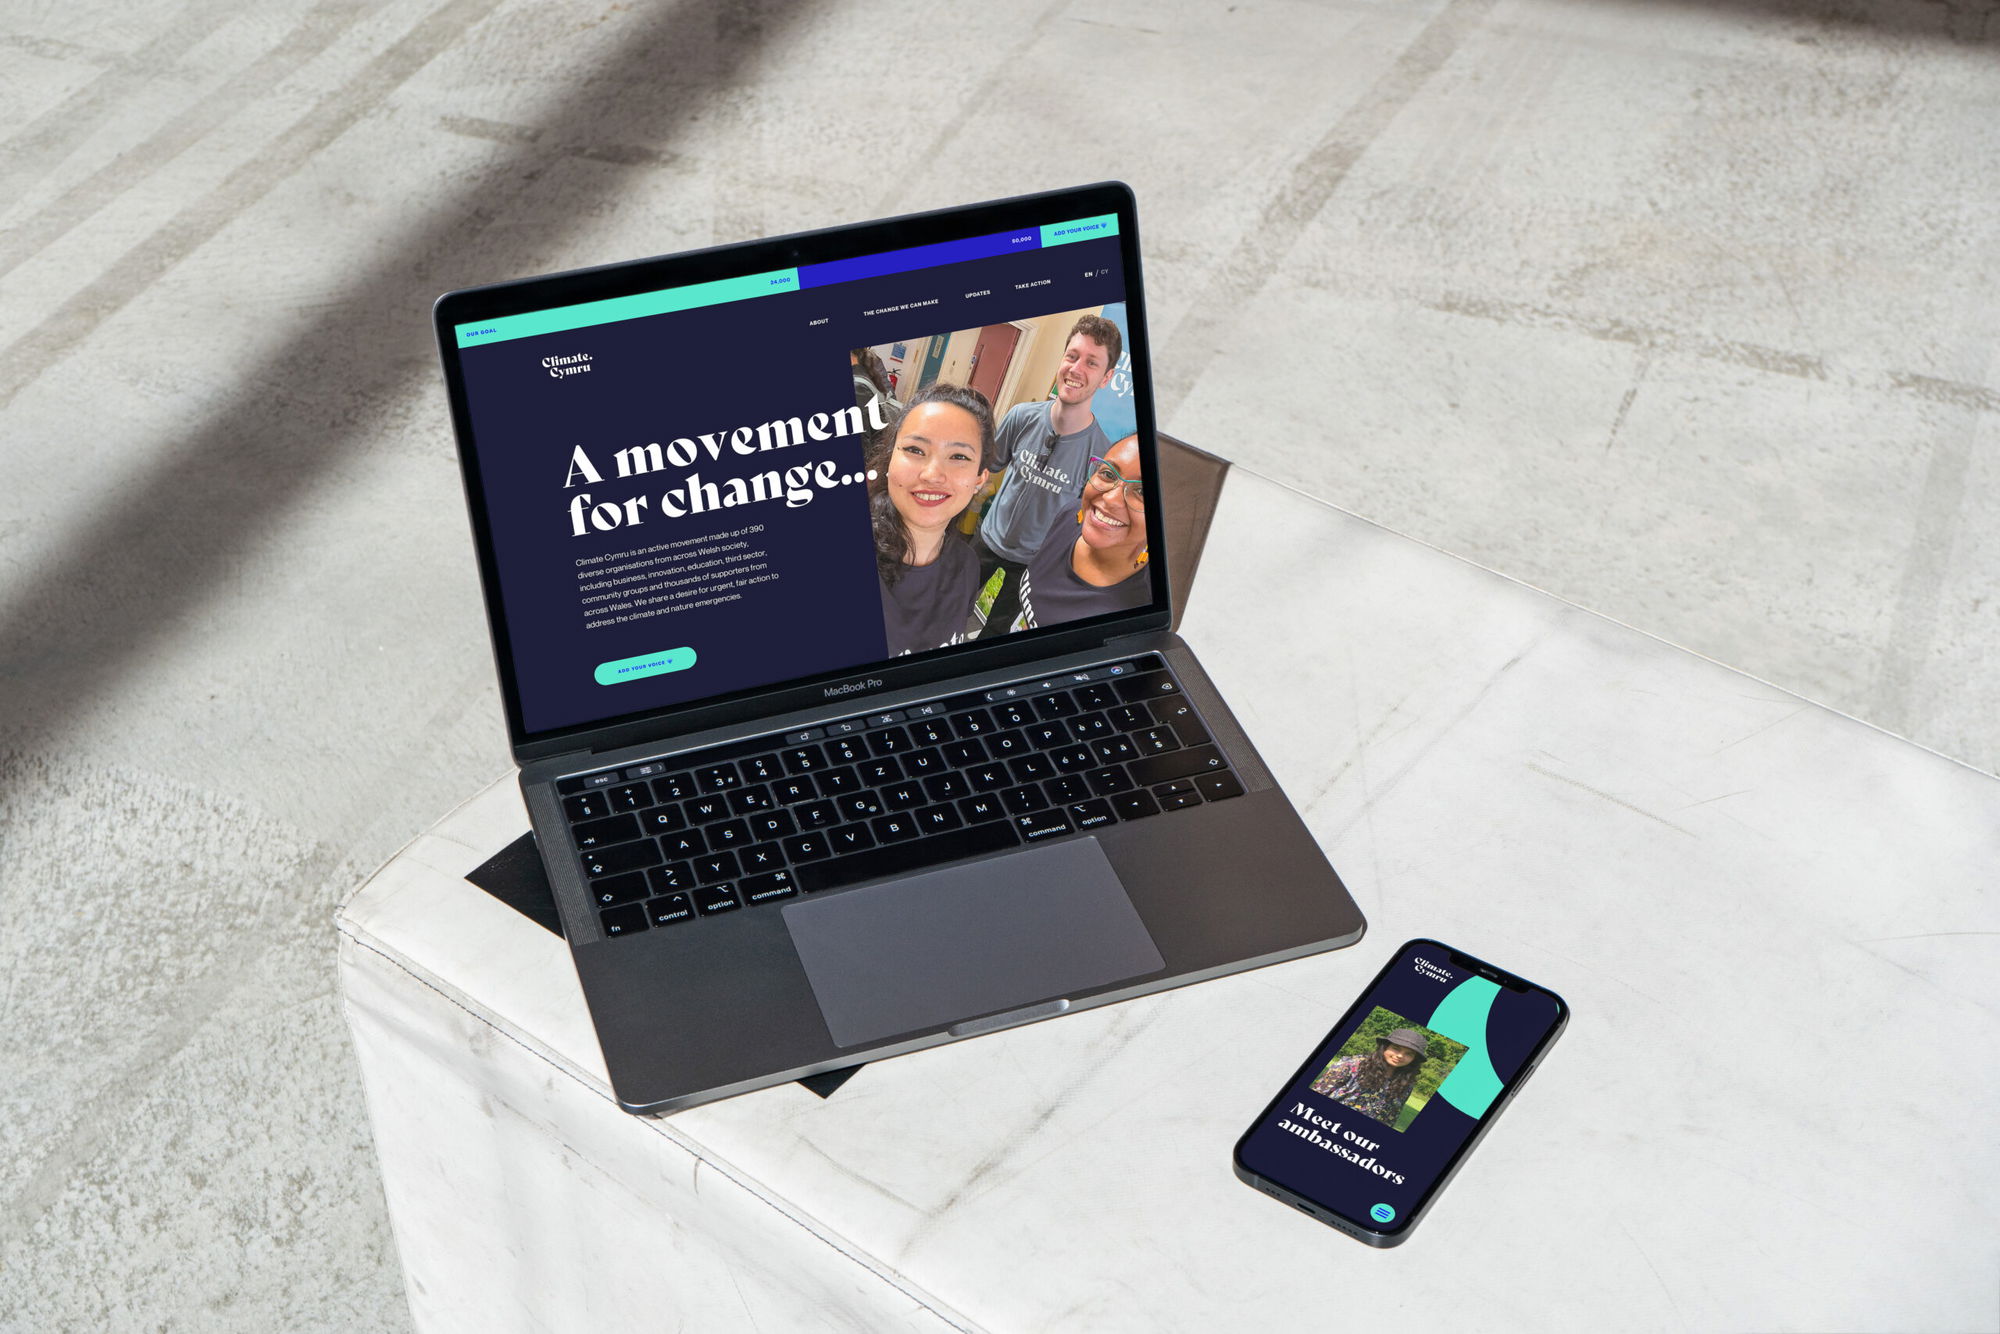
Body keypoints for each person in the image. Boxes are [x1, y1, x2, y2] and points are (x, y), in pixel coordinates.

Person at [971, 312, 1122, 636]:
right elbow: (986, 469)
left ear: (1106, 377)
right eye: (1072, 356)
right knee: (949, 612)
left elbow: (1082, 524)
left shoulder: (1101, 456)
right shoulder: (1021, 416)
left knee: (994, 637)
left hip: (1032, 563)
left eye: (1092, 363)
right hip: (986, 540)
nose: (1076, 369)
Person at [868, 382, 994, 656]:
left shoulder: (967, 566)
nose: (932, 474)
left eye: (959, 456)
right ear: (890, 460)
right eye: (915, 450)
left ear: (979, 480)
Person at [1007, 434, 1150, 632]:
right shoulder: (1071, 515)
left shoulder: (1138, 614)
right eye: (1108, 474)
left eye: (1142, 492)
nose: (1110, 499)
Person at [1309, 1027, 1430, 1128]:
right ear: (1385, 1047)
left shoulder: (1406, 1083)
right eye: (1396, 1048)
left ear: (1415, 1059)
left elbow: (1391, 1118)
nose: (1400, 1055)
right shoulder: (1352, 1064)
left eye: (1409, 1053)